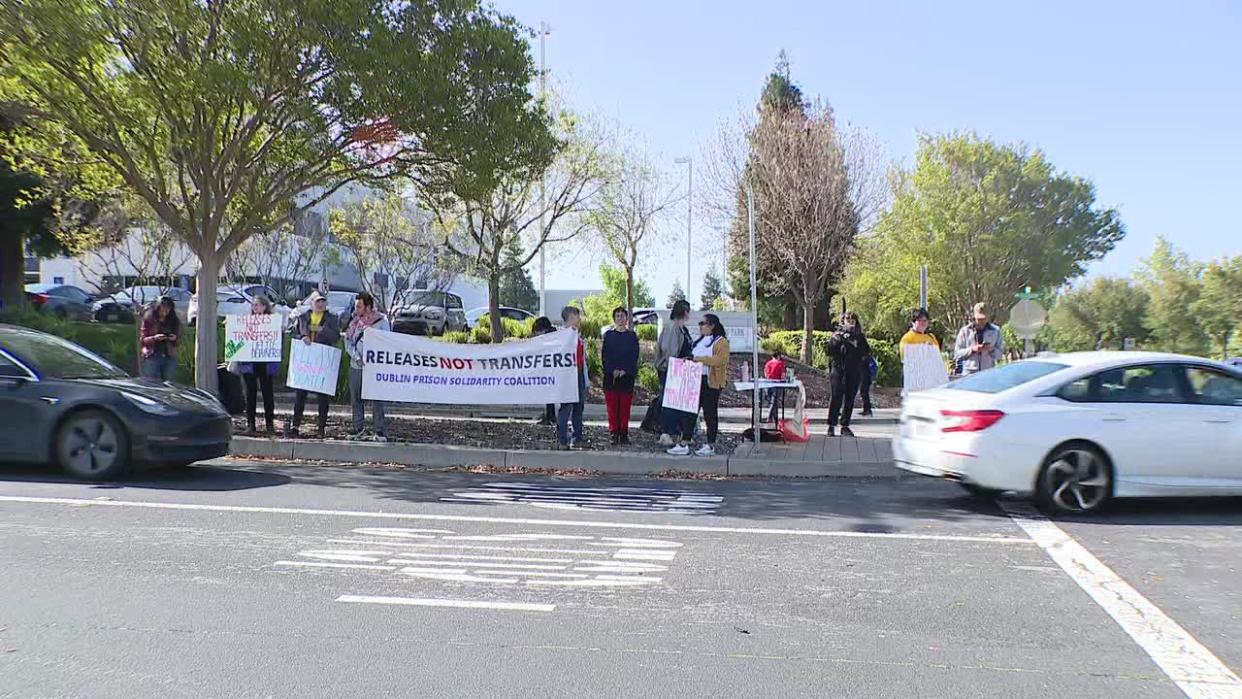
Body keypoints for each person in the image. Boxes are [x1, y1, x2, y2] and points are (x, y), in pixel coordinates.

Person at [668, 314, 730, 457]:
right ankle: (684, 442)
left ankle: (710, 445)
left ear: (712, 325)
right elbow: (692, 356)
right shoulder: (699, 341)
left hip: (710, 382)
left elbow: (720, 360)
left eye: (703, 324)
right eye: (700, 324)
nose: (700, 327)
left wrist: (698, 359)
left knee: (710, 414)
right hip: (694, 381)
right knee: (690, 413)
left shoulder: (721, 342)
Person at [290, 291, 340, 439]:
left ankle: (321, 428)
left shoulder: (331, 319)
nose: (320, 304)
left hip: (322, 362)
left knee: (322, 398)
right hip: (305, 363)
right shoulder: (302, 317)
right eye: (317, 301)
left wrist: (323, 330)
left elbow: (336, 337)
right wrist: (303, 336)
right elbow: (293, 334)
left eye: (322, 302)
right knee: (300, 396)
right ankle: (295, 426)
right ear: (311, 303)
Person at [345, 292, 390, 442]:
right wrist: (355, 356)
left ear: (368, 307)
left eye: (359, 306)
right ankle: (358, 428)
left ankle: (379, 431)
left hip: (374, 368)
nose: (356, 309)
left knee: (376, 399)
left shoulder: (381, 321)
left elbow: (387, 341)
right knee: (356, 398)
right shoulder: (354, 322)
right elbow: (348, 341)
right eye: (356, 306)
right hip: (356, 366)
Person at [654, 300, 694, 445]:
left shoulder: (682, 329)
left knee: (678, 403)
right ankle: (666, 432)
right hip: (672, 370)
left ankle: (676, 432)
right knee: (669, 402)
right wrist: (677, 362)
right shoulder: (672, 327)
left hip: (682, 370)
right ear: (685, 311)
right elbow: (668, 351)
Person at [239, 296, 279, 436]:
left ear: (264, 307)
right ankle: (250, 424)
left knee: (268, 394)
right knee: (250, 394)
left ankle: (269, 424)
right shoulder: (245, 320)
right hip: (249, 363)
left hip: (265, 362)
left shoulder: (272, 322)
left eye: (257, 305)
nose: (254, 307)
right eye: (253, 305)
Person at [826, 311, 870, 437]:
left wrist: (856, 345)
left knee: (850, 398)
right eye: (847, 321)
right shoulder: (837, 335)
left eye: (852, 321)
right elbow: (829, 351)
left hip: (854, 371)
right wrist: (837, 340)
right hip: (838, 370)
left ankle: (845, 425)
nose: (850, 323)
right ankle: (831, 425)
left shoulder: (859, 337)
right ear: (843, 322)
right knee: (836, 397)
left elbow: (866, 352)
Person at [602, 307, 639, 445]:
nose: (620, 318)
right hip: (611, 377)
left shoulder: (632, 336)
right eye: (617, 316)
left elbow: (634, 356)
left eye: (622, 315)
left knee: (624, 407)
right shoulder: (609, 336)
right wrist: (612, 370)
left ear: (626, 318)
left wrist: (625, 370)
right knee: (612, 407)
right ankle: (614, 433)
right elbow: (605, 356)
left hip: (626, 377)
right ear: (614, 319)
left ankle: (623, 434)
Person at [556, 306, 589, 450]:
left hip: (579, 374)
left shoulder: (578, 336)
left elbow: (583, 359)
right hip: (567, 376)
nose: (578, 319)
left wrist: (586, 378)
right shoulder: (562, 336)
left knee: (578, 406)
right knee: (566, 407)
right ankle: (562, 439)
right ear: (569, 318)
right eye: (576, 316)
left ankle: (577, 437)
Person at [953, 302, 1003, 375]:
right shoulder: (965, 331)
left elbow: (1000, 355)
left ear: (988, 316)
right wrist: (972, 350)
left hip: (988, 373)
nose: (982, 321)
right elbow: (957, 354)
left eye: (984, 318)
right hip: (969, 373)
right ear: (974, 316)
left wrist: (991, 349)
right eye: (979, 319)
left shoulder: (995, 331)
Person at [139, 296, 181, 381]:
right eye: (163, 308)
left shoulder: (174, 321)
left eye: (168, 309)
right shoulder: (149, 319)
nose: (165, 311)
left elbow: (178, 340)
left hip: (169, 355)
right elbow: (143, 340)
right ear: (158, 308)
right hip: (152, 354)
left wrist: (174, 338)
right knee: (151, 381)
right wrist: (154, 338)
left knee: (168, 382)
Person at [532, 316, 558, 426]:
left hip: (552, 370)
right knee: (549, 396)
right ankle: (550, 415)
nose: (536, 335)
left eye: (537, 331)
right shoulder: (554, 336)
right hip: (551, 370)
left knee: (550, 395)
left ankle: (551, 416)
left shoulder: (550, 338)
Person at [764, 349, 788, 424]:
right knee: (774, 402)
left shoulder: (768, 363)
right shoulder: (780, 364)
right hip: (777, 384)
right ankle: (770, 417)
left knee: (773, 401)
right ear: (778, 356)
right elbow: (783, 375)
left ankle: (775, 418)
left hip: (768, 383)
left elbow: (765, 373)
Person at [859, 350, 877, 417]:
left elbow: (873, 367)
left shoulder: (866, 358)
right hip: (864, 377)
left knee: (864, 393)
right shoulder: (864, 357)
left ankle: (868, 410)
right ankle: (866, 409)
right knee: (863, 393)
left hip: (866, 378)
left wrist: (873, 378)